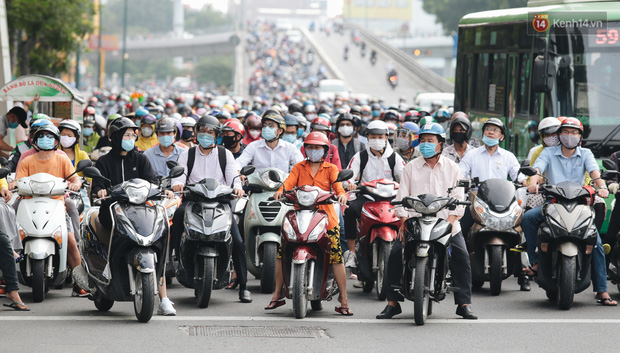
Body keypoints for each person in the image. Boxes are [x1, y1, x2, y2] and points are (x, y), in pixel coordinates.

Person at [377, 122, 477, 320]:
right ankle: (392, 302)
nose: (425, 144)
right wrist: (403, 220)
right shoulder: (411, 167)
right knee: (396, 253)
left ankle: (464, 304)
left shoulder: (453, 168)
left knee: (461, 256)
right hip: (415, 222)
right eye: (422, 141)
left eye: (430, 141)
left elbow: (459, 201)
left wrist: (449, 223)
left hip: (445, 222)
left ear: (440, 144)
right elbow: (402, 196)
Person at [522, 117, 617, 306]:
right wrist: (533, 184)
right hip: (553, 202)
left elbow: (596, 175)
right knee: (528, 218)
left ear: (580, 136)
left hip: (580, 204)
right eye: (565, 132)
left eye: (574, 133)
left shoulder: (587, 154)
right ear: (559, 135)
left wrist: (603, 187)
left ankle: (601, 290)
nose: (569, 136)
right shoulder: (549, 152)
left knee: (596, 241)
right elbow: (536, 171)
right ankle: (535, 262)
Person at [91, 117, 177, 315]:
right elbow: (96, 185)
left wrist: (165, 191)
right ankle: (106, 272)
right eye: (127, 135)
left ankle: (164, 299)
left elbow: (153, 183)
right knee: (111, 231)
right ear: (116, 137)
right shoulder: (104, 161)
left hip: (141, 210)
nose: (131, 138)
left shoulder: (140, 158)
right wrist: (100, 190)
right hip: (113, 210)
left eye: (133, 135)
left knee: (156, 242)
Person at [266, 132, 352, 315]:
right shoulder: (299, 167)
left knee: (336, 254)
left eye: (318, 147)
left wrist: (342, 194)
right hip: (300, 215)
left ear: (325, 150)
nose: (314, 150)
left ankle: (344, 299)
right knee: (283, 250)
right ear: (305, 149)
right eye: (310, 147)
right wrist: (280, 191)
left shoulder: (331, 168)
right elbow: (288, 183)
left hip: (325, 218)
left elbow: (338, 187)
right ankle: (277, 294)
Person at [169, 115, 252, 303]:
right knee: (176, 219)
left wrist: (237, 187)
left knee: (237, 240)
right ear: (197, 133)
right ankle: (172, 258)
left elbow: (233, 178)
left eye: (210, 132)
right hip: (193, 202)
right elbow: (179, 177)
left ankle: (244, 286)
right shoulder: (187, 154)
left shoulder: (225, 154)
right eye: (203, 132)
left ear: (216, 136)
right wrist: (177, 185)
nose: (206, 135)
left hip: (220, 203)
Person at [15, 124, 90, 297]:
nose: (46, 140)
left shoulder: (62, 159)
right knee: (10, 237)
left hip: (57, 205)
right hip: (29, 204)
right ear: (35, 140)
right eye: (42, 136)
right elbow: (18, 182)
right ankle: (5, 278)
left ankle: (79, 283)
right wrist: (12, 184)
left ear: (56, 141)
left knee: (70, 239)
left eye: (50, 137)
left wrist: (75, 184)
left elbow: (75, 179)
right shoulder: (27, 160)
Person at [343, 120, 405, 269]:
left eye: (380, 136)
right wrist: (349, 184)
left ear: (386, 137)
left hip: (390, 199)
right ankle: (351, 253)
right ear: (368, 137)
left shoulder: (394, 157)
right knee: (350, 211)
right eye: (373, 136)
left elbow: (405, 177)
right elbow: (348, 177)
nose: (377, 139)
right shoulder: (360, 156)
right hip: (367, 197)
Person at [237, 110, 304, 172]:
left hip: (283, 184)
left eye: (271, 126)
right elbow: (239, 162)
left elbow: (301, 166)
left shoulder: (290, 148)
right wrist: (238, 171)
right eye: (265, 125)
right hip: (257, 184)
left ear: (280, 131)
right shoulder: (253, 146)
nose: (267, 128)